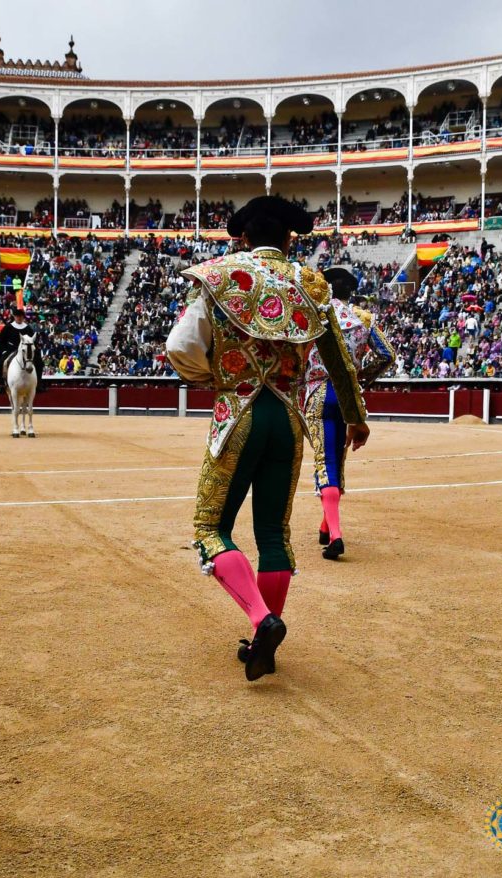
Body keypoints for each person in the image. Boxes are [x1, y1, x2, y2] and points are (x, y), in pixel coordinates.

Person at [166, 195, 369, 682]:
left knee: (209, 528)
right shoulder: (310, 284)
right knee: (274, 535)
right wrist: (357, 417)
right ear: (288, 240)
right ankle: (263, 645)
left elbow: (181, 346)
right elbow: (338, 361)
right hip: (289, 419)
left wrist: (212, 378)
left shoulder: (220, 277)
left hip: (238, 415)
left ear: (242, 239)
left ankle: (262, 620)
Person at [304, 267, 395, 560]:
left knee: (324, 460)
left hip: (318, 393)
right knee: (336, 458)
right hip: (346, 398)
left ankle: (336, 536)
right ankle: (325, 525)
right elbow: (387, 355)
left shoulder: (313, 314)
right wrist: (360, 378)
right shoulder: (363, 319)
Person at [0, 306, 45, 392]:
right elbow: (1, 340)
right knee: (2, 363)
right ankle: (1, 384)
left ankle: (38, 383)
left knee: (39, 362)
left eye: (21, 316)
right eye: (17, 316)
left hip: (25, 350)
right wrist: (3, 350)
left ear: (23, 317)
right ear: (14, 316)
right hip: (11, 349)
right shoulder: (8, 327)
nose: (19, 318)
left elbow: (32, 341)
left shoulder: (27, 328)